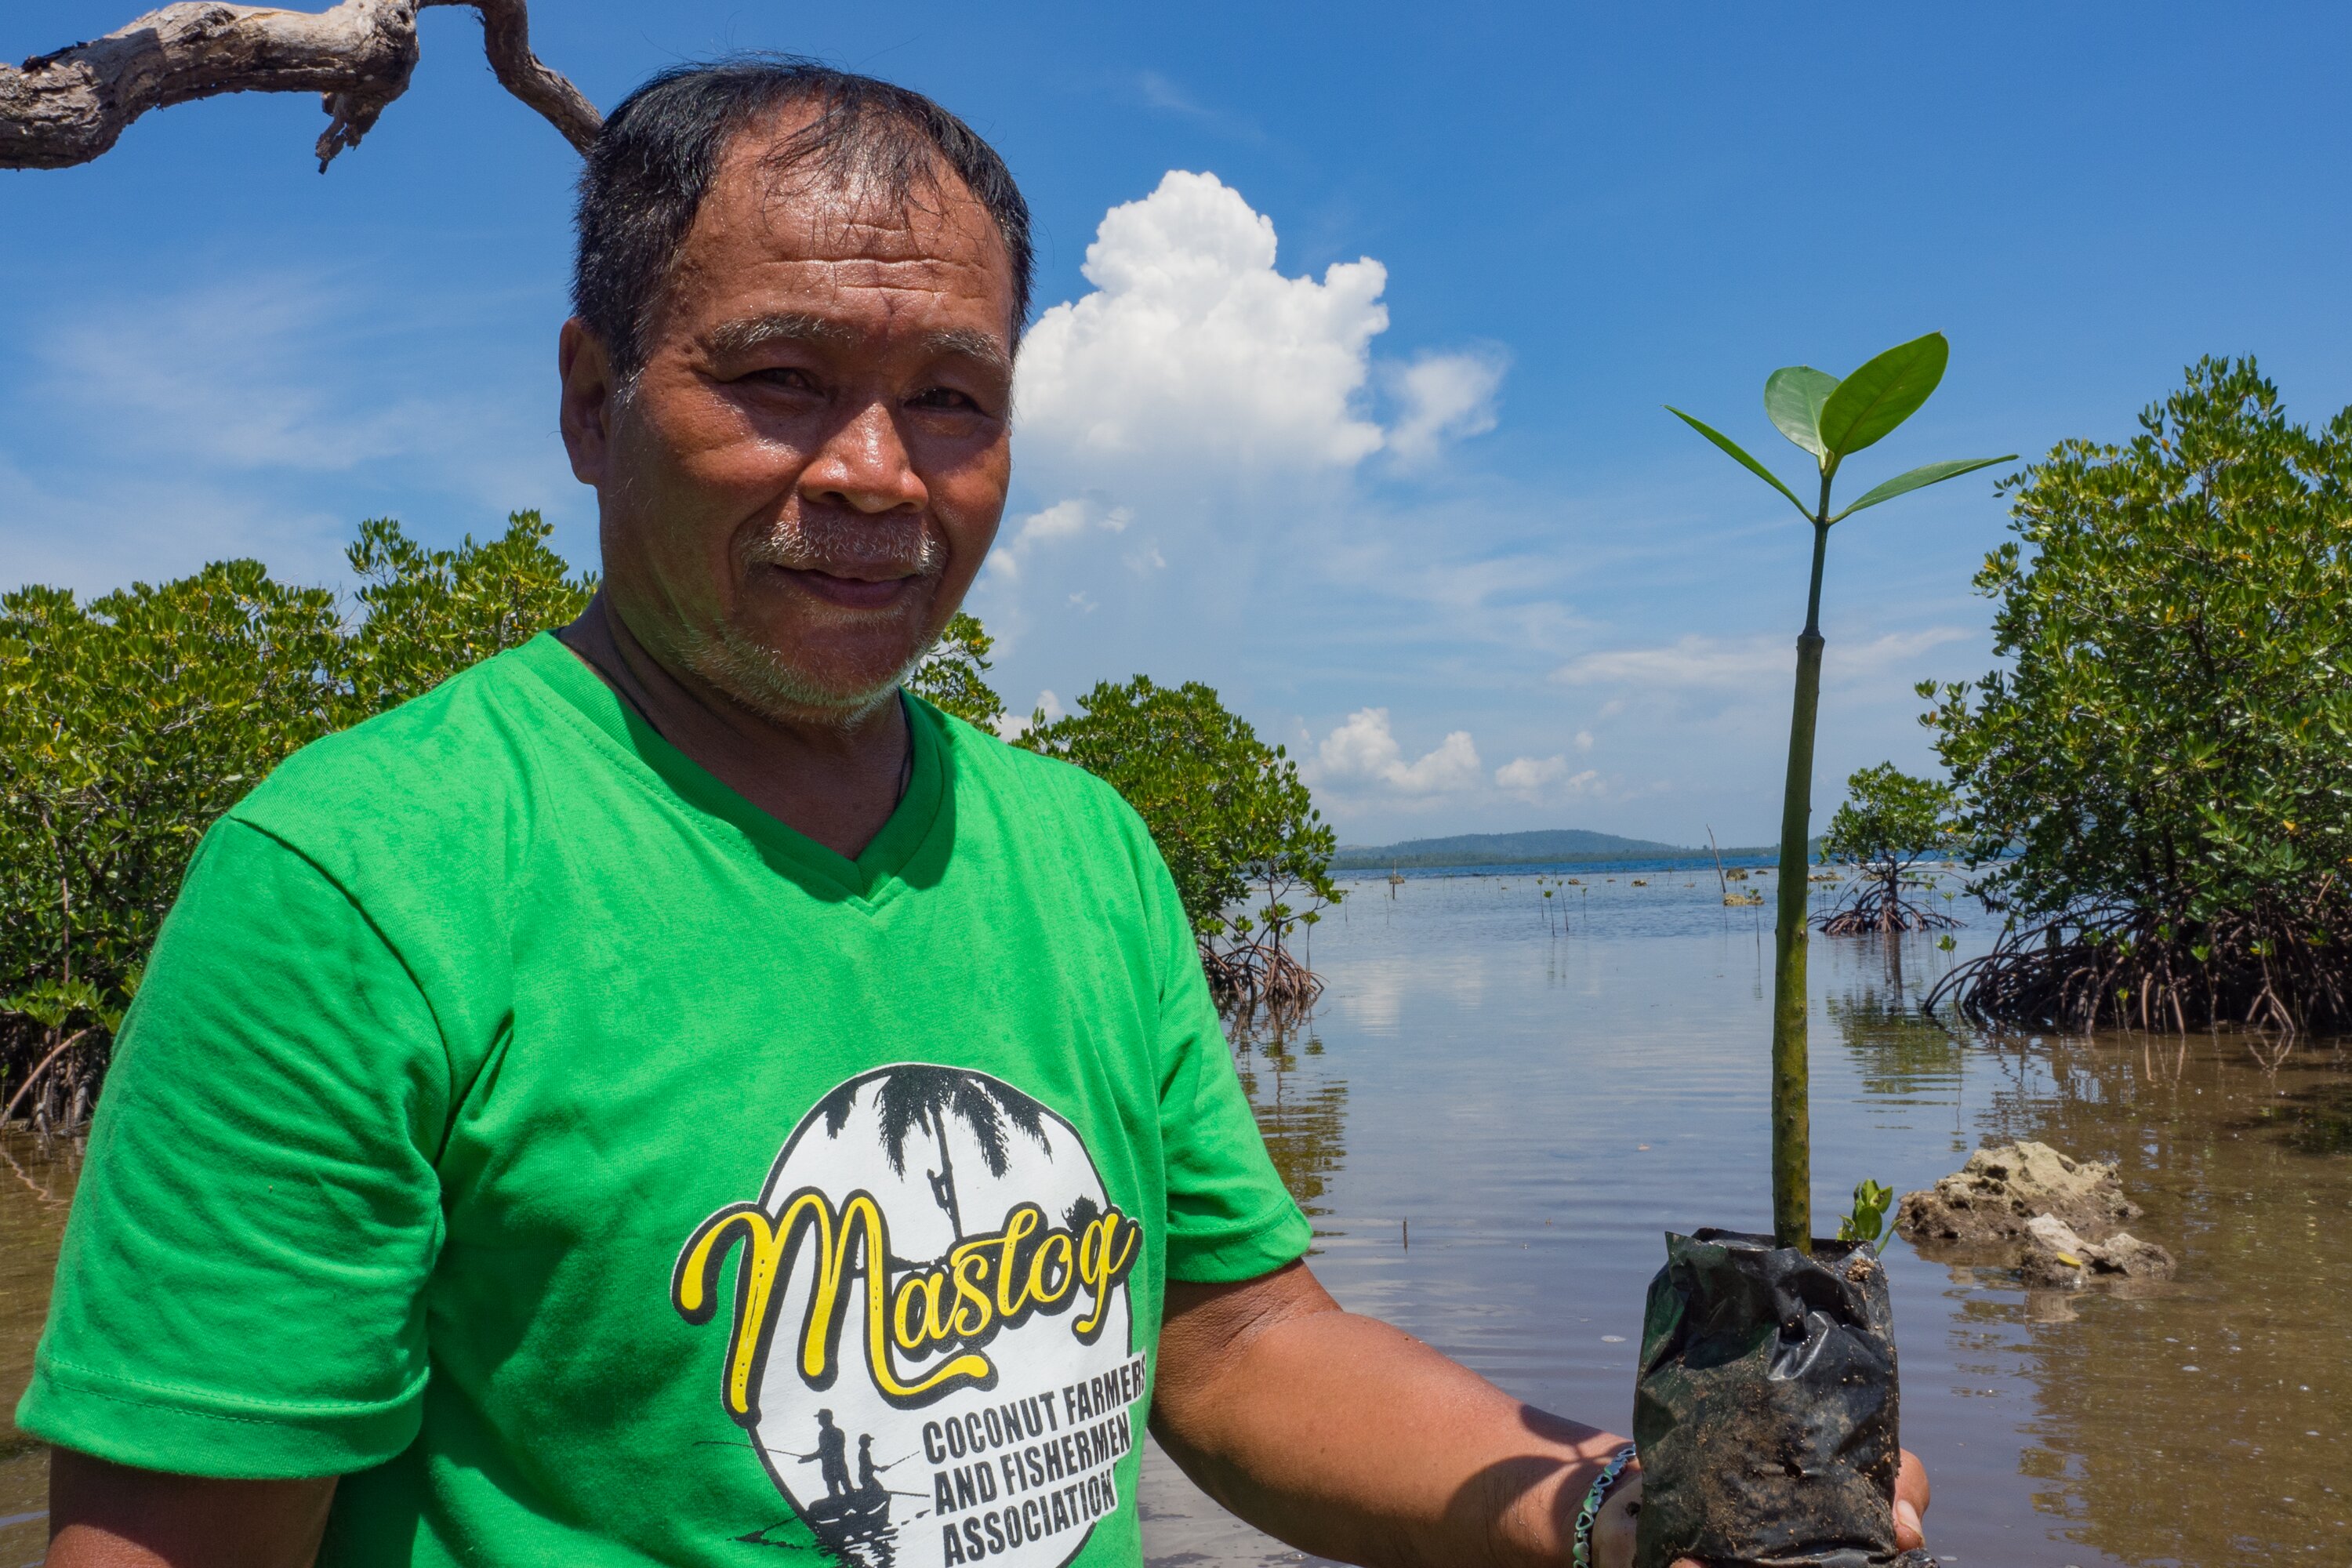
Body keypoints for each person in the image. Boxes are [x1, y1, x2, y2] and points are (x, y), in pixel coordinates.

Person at [20, 59, 1928, 1568]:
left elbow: (1236, 1342)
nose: (872, 472)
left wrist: (1610, 1511)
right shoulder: (358, 879)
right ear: (594, 402)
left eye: (951, 397)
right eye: (778, 380)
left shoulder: (1079, 851)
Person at [803, 1412, 852, 1500]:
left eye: (820, 1418)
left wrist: (809, 1458)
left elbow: (825, 1451)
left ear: (826, 1419)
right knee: (845, 1490)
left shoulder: (826, 1434)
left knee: (839, 1493)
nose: (819, 1420)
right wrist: (809, 1457)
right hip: (837, 1466)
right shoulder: (837, 1432)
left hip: (832, 1467)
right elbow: (823, 1451)